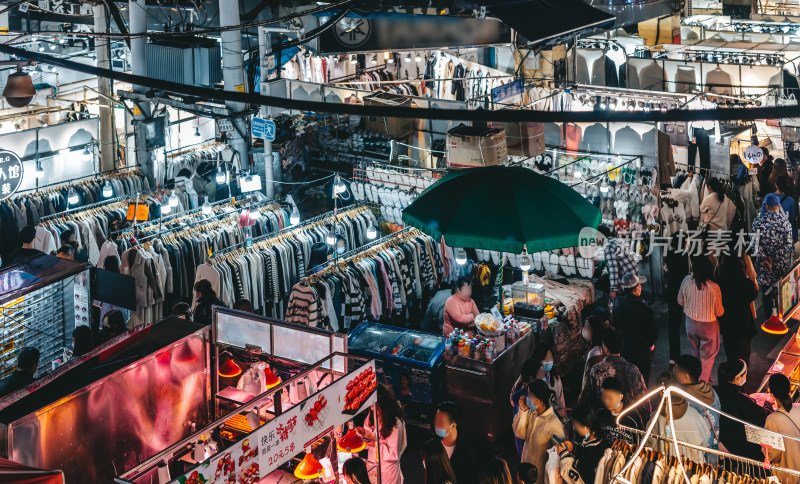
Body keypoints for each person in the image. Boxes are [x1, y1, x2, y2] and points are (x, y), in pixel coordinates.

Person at [580, 330, 651, 417]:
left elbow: (590, 398)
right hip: (628, 419)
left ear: (605, 348)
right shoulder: (632, 369)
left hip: (604, 420)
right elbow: (644, 400)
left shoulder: (596, 370)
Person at [677, 256, 724, 383]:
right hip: (708, 326)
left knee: (695, 353)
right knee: (707, 358)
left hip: (690, 323)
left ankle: (696, 378)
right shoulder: (714, 288)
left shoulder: (686, 281)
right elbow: (719, 312)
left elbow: (680, 301)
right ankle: (702, 384)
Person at [714, 360, 771, 462]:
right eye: (745, 375)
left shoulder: (716, 391)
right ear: (737, 378)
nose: (746, 377)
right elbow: (763, 416)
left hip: (721, 439)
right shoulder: (740, 399)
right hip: (738, 445)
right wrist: (768, 403)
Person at [513, 380, 566, 484]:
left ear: (539, 400)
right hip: (527, 471)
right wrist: (523, 411)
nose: (527, 398)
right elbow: (520, 433)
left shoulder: (554, 424)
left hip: (540, 476)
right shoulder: (532, 413)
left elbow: (561, 455)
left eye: (530, 395)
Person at [650, 380, 712, 463]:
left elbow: (650, 444)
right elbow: (706, 437)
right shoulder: (694, 414)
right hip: (695, 467)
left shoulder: (656, 417)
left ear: (661, 394)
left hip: (666, 466)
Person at [752, 193, 793, 317]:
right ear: (779, 206)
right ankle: (782, 317)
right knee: (782, 292)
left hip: (765, 268)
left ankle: (769, 319)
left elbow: (754, 244)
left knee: (767, 294)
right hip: (781, 267)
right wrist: (774, 258)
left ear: (767, 206)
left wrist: (766, 258)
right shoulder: (785, 223)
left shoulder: (758, 221)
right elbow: (788, 246)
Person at [613, 272, 658, 382]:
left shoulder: (618, 302)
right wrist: (651, 344)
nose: (641, 287)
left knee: (627, 380)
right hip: (641, 353)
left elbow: (615, 324)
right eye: (639, 285)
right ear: (636, 288)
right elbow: (652, 332)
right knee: (642, 381)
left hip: (624, 350)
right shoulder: (644, 308)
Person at [359, 384, 407, 484]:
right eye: (371, 406)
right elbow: (368, 441)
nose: (372, 409)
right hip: (372, 466)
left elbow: (393, 455)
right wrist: (363, 434)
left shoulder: (395, 423)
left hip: (388, 472)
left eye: (375, 406)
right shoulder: (371, 416)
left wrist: (375, 444)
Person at [672, 355, 721, 452]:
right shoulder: (711, 391)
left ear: (686, 376)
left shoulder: (682, 397)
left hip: (692, 455)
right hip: (712, 451)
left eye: (676, 368)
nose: (673, 371)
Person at [717, 255, 759, 364]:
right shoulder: (746, 283)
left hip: (727, 326)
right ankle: (742, 377)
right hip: (744, 326)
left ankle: (732, 376)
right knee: (744, 358)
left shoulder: (719, 282)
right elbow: (754, 294)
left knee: (731, 356)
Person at [556, 404, 609, 484]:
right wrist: (574, 448)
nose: (574, 428)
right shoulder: (596, 438)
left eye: (576, 425)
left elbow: (579, 479)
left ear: (585, 427)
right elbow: (584, 451)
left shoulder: (594, 452)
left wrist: (563, 454)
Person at [764, 373, 800, 484]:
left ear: (772, 394)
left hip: (790, 476)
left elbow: (772, 454)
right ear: (789, 390)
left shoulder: (772, 420)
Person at [664, 232, 691, 366]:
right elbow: (687, 272)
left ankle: (673, 356)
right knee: (690, 321)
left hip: (671, 291)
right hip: (683, 291)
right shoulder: (684, 255)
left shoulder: (669, 254)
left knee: (673, 325)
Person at [434, 401, 477, 484]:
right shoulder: (434, 446)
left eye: (440, 422)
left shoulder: (465, 452)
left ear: (453, 425)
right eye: (436, 420)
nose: (436, 424)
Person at [596, 377, 644, 446]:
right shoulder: (600, 414)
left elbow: (639, 443)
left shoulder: (632, 417)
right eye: (603, 397)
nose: (606, 401)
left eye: (610, 398)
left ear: (621, 397)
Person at [510, 359, 542, 456]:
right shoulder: (525, 399)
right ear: (532, 378)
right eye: (541, 374)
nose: (543, 377)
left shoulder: (519, 393)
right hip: (528, 449)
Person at [597, 224, 638, 299]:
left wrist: (613, 290)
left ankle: (615, 303)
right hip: (633, 275)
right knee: (603, 279)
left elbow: (613, 270)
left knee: (599, 284)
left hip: (628, 280)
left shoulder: (608, 246)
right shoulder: (614, 241)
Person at [762, 174, 799, 242]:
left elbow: (763, 215)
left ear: (776, 184)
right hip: (784, 236)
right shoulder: (790, 200)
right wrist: (794, 236)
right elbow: (792, 221)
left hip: (769, 234)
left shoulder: (768, 197)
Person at [532, 343, 566, 416]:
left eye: (550, 359)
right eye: (546, 359)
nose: (549, 361)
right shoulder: (532, 382)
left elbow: (561, 403)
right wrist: (557, 413)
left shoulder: (556, 379)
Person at [581, 315, 608, 392]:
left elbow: (587, 380)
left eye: (587, 328)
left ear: (595, 330)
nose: (584, 330)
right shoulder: (601, 346)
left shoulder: (595, 353)